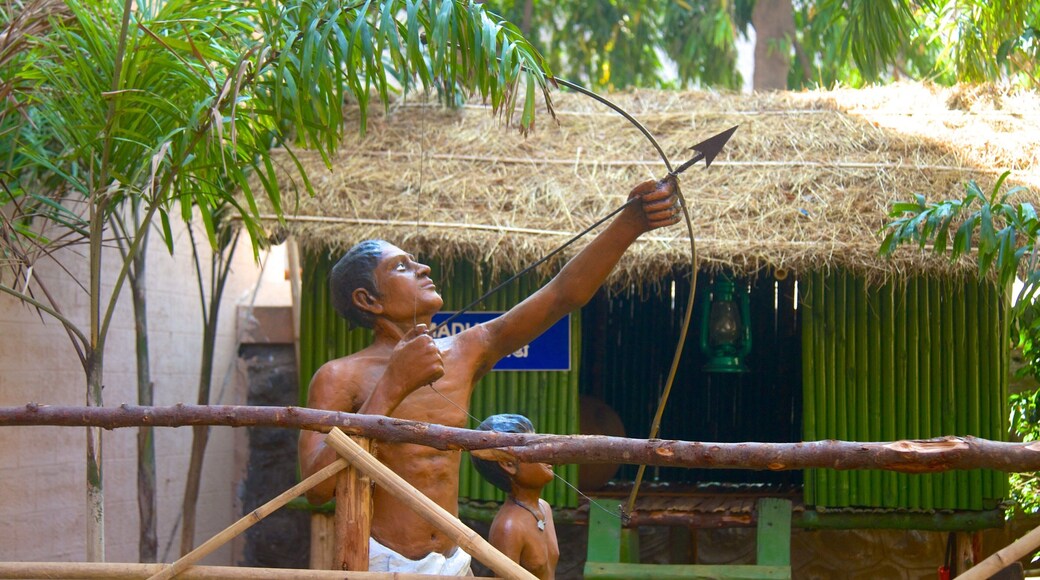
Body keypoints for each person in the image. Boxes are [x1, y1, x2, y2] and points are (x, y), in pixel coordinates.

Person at [299, 176, 680, 574]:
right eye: (401, 267)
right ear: (368, 300)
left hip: (452, 559)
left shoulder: (464, 350)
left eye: (415, 261)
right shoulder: (338, 376)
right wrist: (392, 385)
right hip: (382, 561)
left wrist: (630, 224)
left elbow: (561, 295)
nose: (423, 268)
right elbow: (317, 489)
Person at [471, 414, 558, 580]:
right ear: (508, 464)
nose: (546, 453)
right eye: (535, 448)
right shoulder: (509, 527)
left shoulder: (544, 508)